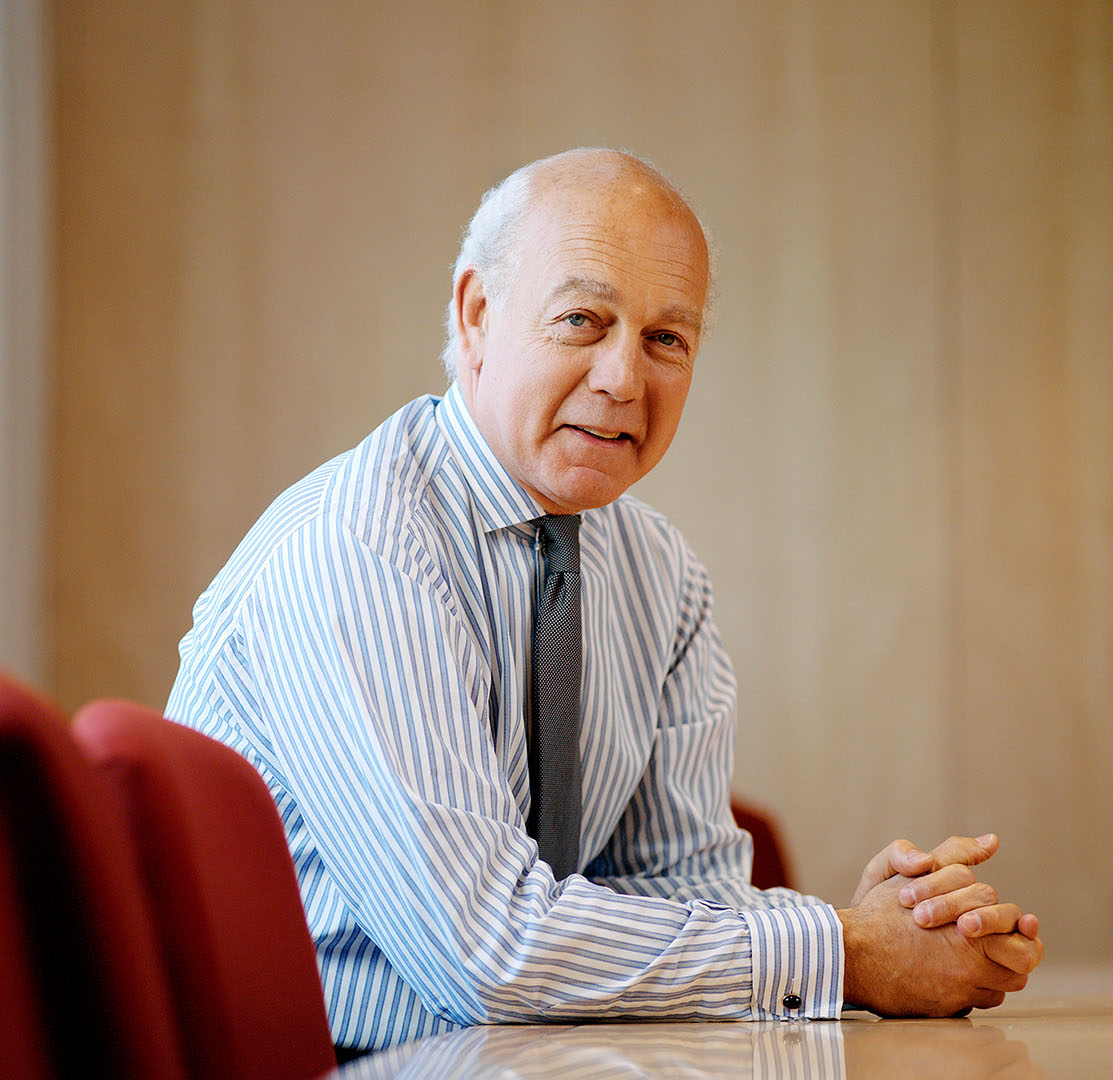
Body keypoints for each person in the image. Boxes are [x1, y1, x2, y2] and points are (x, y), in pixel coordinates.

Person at [165, 148, 1043, 1052]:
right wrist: (845, 951)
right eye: (582, 320)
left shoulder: (658, 572)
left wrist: (893, 926)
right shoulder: (360, 546)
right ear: (475, 317)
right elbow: (488, 953)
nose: (625, 380)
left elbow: (686, 902)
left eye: (667, 339)